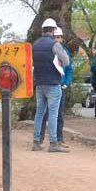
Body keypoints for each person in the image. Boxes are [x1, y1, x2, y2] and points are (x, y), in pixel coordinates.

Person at [32, 18, 71, 152]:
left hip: (39, 84)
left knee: (39, 113)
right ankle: (54, 143)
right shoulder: (54, 44)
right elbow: (66, 62)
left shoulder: (35, 45)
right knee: (53, 114)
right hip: (53, 84)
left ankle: (36, 142)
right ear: (53, 30)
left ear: (42, 30)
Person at [53, 27, 74, 143]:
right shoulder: (49, 50)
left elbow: (69, 69)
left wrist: (66, 82)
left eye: (59, 37)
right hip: (50, 85)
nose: (58, 39)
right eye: (56, 37)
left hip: (61, 87)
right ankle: (41, 138)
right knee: (45, 113)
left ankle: (59, 138)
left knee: (60, 114)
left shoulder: (65, 52)